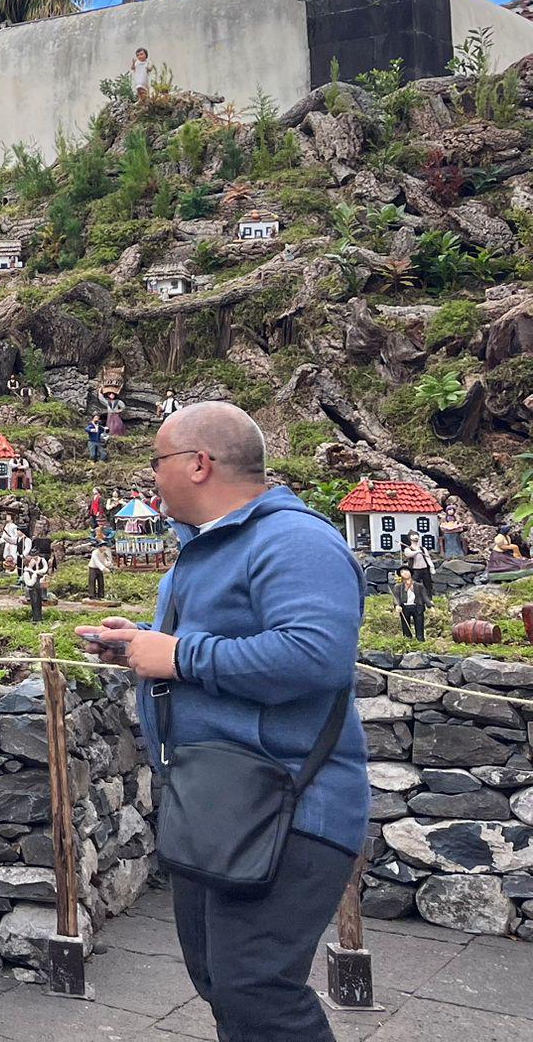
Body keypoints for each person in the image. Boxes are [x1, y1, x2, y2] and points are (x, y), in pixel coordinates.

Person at [78, 402, 366, 1042]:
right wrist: (146, 644)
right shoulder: (206, 549)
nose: (150, 476)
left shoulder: (294, 541)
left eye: (157, 461)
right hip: (219, 801)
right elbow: (224, 649)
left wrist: (177, 655)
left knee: (255, 986)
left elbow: (316, 655)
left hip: (288, 805)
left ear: (199, 464)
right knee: (223, 982)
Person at [393, 569, 427, 641]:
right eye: (402, 572)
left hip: (417, 607)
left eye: (406, 571)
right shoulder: (398, 587)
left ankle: (420, 639)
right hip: (405, 607)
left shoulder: (419, 586)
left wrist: (430, 605)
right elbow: (396, 597)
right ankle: (407, 639)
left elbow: (425, 597)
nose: (405, 573)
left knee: (419, 623)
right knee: (405, 625)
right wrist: (397, 605)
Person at [402, 532, 435, 604]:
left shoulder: (423, 549)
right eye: (413, 535)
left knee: (428, 585)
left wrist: (431, 566)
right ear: (410, 538)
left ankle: (429, 599)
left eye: (416, 535)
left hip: (425, 569)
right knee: (414, 585)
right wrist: (416, 552)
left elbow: (428, 558)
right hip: (415, 570)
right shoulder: (408, 549)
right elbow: (409, 554)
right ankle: (414, 599)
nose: (415, 537)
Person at [18, 553, 46, 622]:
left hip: (38, 589)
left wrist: (42, 579)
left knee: (39, 605)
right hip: (32, 591)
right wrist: (34, 577)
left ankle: (39, 618)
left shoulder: (33, 571)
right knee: (35, 605)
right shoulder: (27, 573)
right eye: (32, 560)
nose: (34, 561)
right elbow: (29, 583)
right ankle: (35, 619)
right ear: (29, 562)